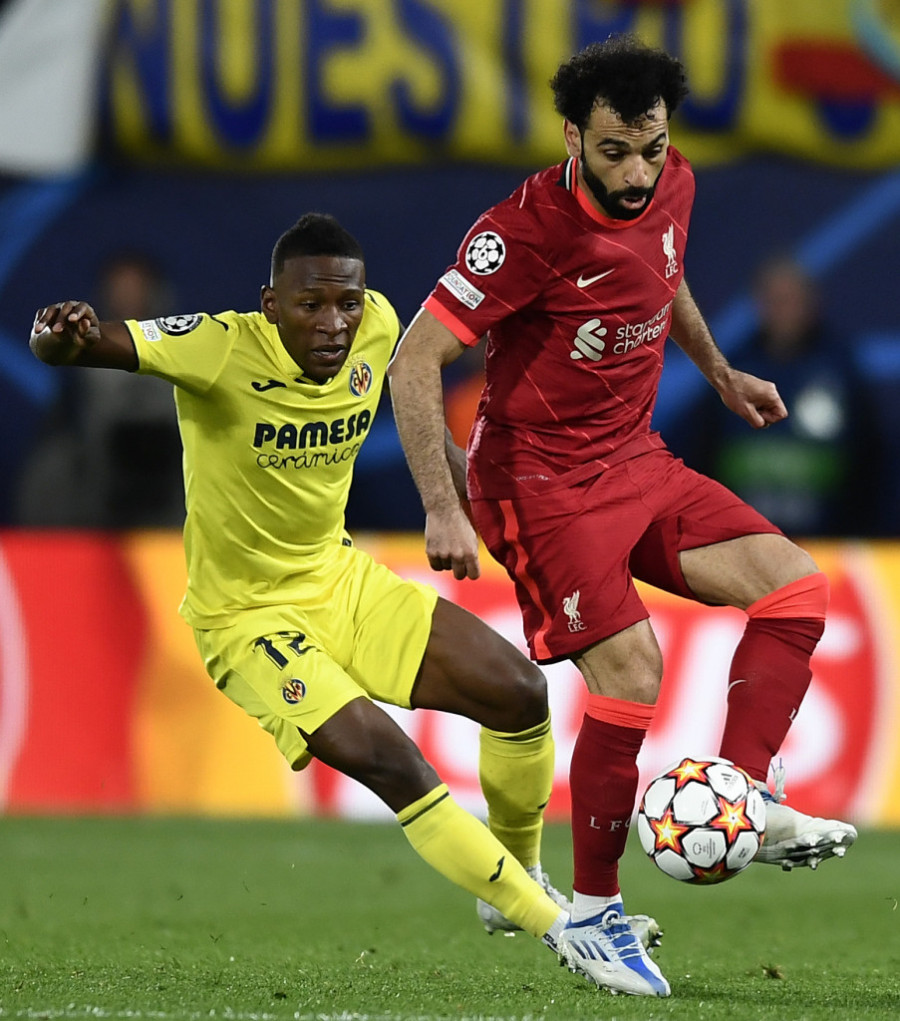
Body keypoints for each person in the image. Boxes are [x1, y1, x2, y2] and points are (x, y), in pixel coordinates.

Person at [29, 212, 663, 990]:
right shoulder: (218, 346)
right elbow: (84, 346)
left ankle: (518, 879)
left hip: (338, 580)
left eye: (347, 304)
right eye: (311, 306)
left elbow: (424, 419)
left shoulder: (382, 327)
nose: (334, 323)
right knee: (395, 760)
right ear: (271, 306)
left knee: (520, 692)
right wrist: (59, 334)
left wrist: (475, 507)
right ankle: (562, 929)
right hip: (248, 618)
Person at [387, 36, 857, 999]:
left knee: (795, 591)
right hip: (537, 486)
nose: (638, 174)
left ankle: (744, 791)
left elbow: (664, 269)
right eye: (614, 152)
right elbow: (414, 357)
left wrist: (718, 371)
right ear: (573, 137)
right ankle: (594, 913)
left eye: (651, 148)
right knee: (634, 672)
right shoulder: (523, 231)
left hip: (634, 458)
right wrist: (442, 500)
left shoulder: (673, 184)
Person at [684, 254, 875, 537]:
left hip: (827, 543)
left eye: (791, 299)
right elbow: (703, 453)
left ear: (811, 302)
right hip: (744, 539)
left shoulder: (842, 372)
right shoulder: (731, 371)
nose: (783, 310)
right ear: (758, 304)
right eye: (774, 300)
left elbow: (869, 461)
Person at [17, 250, 184, 527]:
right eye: (120, 288)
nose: (127, 296)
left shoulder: (181, 349)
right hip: (97, 484)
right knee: (52, 465)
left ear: (155, 291)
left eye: (135, 287)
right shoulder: (80, 356)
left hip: (173, 480)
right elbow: (67, 424)